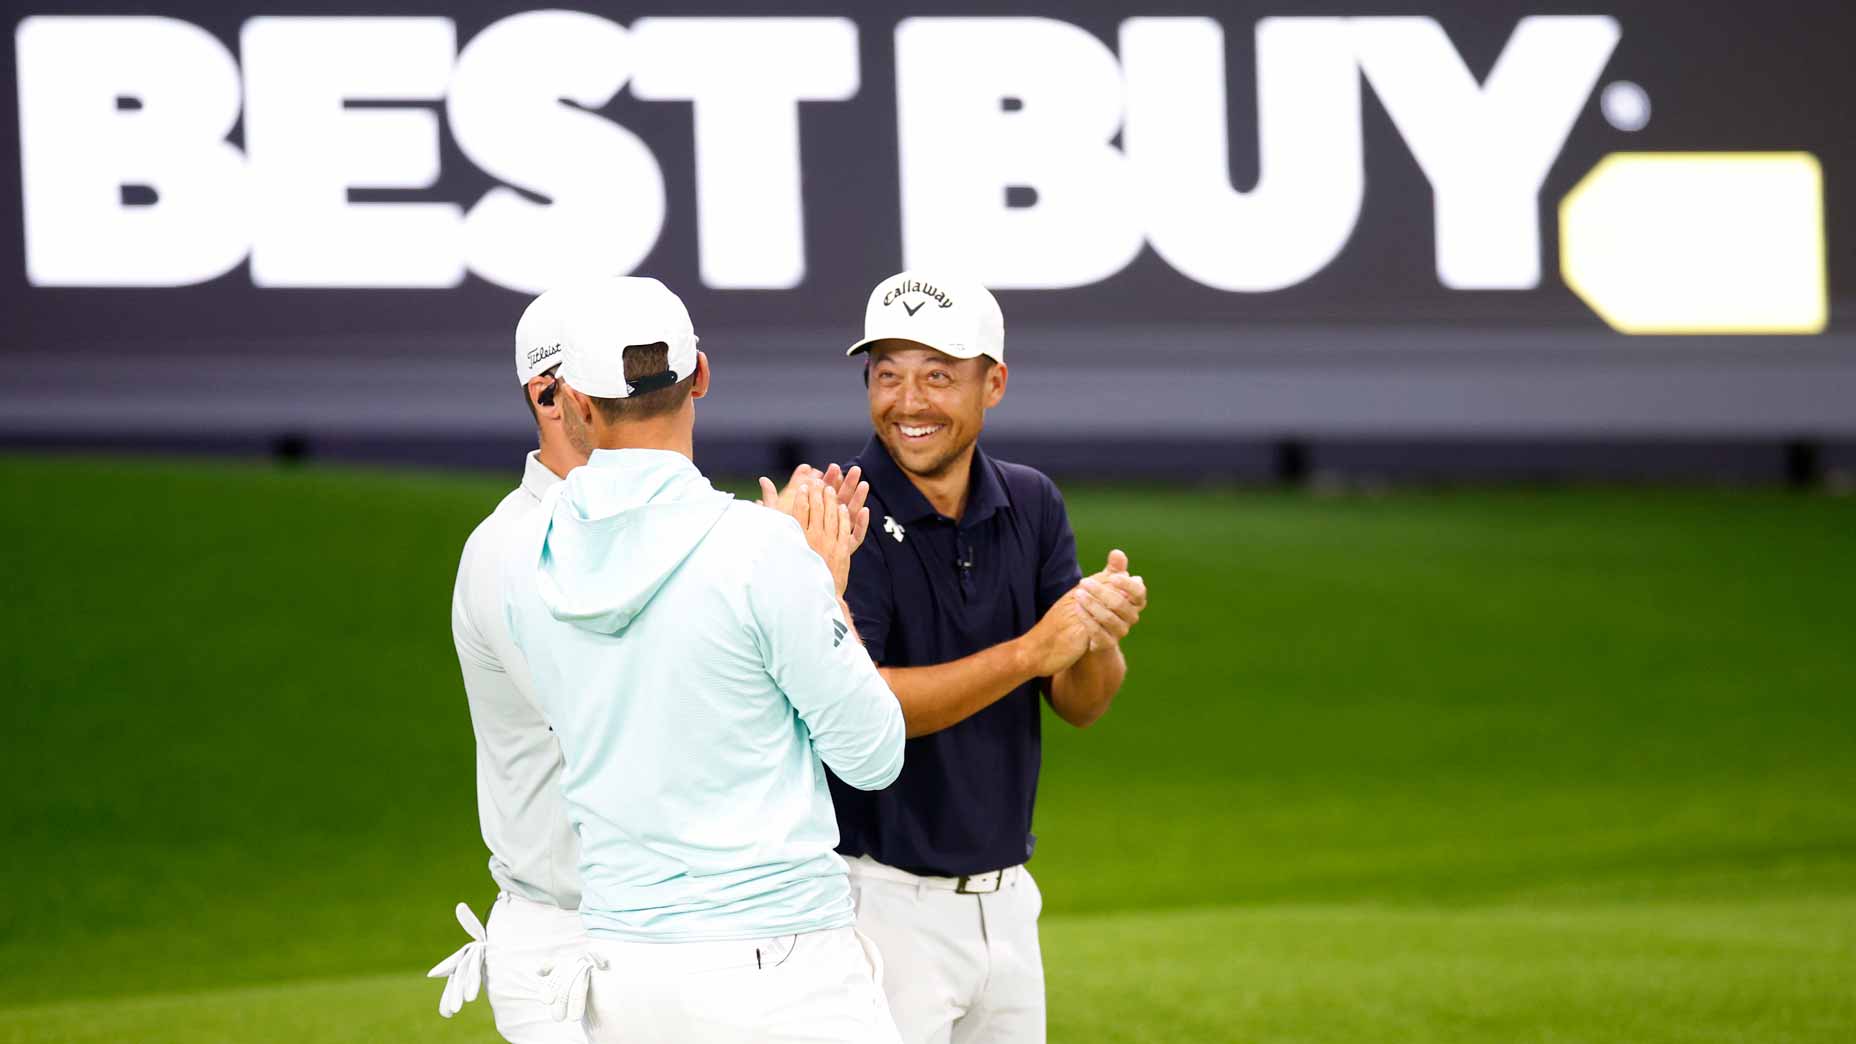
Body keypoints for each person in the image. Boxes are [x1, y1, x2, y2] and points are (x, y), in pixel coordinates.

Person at [502, 275, 908, 1043]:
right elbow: (874, 754)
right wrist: (824, 587)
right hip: (782, 969)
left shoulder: (526, 556)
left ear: (577, 402)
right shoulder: (762, 551)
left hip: (624, 972)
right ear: (701, 376)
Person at [830, 270, 1148, 1044]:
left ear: (993, 384)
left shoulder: (1031, 502)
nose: (908, 402)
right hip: (876, 903)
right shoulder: (842, 510)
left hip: (1007, 902)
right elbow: (866, 709)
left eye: (938, 376)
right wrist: (1031, 651)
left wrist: (1097, 630)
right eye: (888, 375)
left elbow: (1081, 702)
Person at [429, 286, 594, 1041]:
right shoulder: (508, 549)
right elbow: (611, 721)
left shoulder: (678, 528)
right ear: (547, 394)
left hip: (677, 934)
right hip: (569, 946)